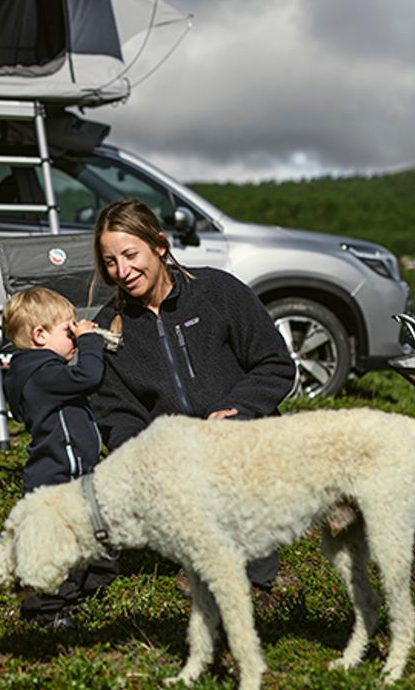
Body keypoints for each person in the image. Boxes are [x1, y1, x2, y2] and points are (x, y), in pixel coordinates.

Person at [88, 198, 296, 589]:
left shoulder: (218, 292)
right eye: (111, 262)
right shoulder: (109, 328)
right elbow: (116, 412)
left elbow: (276, 364)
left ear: (160, 246)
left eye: (131, 255)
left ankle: (247, 575)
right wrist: (143, 454)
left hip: (241, 438)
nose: (123, 271)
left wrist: (238, 409)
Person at [1, 286, 116, 629]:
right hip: (59, 475)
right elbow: (89, 376)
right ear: (40, 336)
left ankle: (83, 591)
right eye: (68, 331)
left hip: (69, 474)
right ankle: (49, 611)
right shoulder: (42, 374)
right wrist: (91, 342)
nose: (75, 337)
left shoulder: (35, 373)